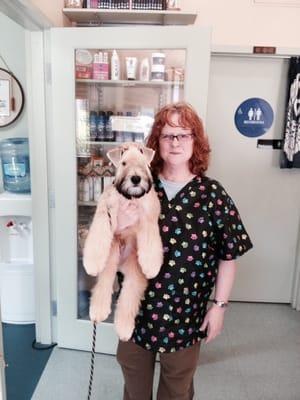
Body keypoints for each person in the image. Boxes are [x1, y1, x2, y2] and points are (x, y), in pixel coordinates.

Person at [115, 102, 253, 400]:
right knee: (134, 387)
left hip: (185, 314)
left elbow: (229, 255)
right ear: (156, 143)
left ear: (196, 142)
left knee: (177, 390)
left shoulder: (212, 194)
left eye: (184, 135)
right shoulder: (138, 186)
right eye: (167, 135)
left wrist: (219, 306)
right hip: (136, 309)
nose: (175, 142)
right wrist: (119, 229)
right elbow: (115, 252)